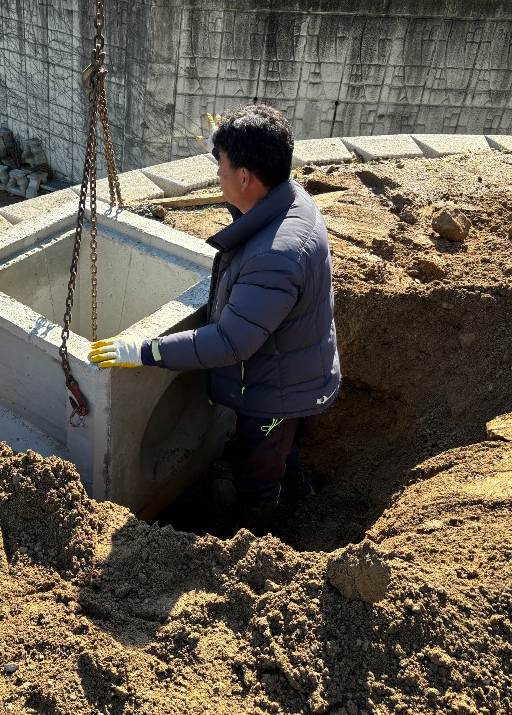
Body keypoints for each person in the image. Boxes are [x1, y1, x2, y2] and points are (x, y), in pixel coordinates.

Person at [90, 104, 340, 524]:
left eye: (221, 166)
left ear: (245, 177)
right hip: (297, 373)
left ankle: (257, 534)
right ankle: (298, 488)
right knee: (281, 447)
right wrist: (223, 149)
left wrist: (144, 351)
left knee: (258, 468)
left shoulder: (275, 256)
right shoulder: (288, 198)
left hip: (277, 397)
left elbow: (229, 342)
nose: (216, 174)